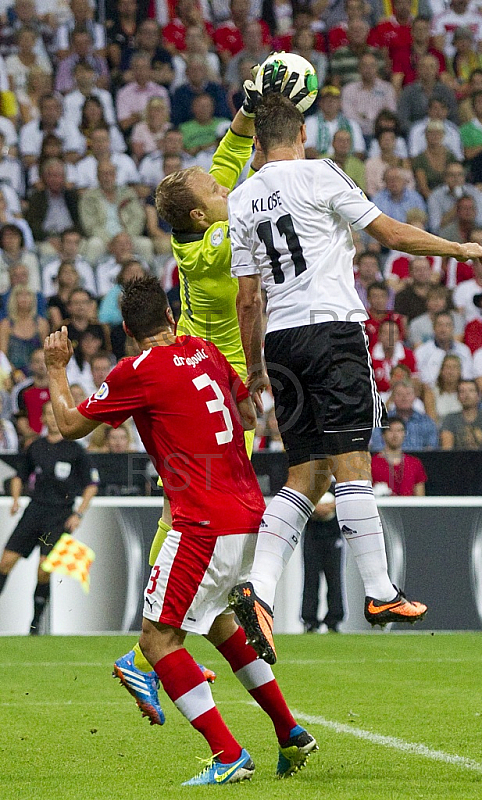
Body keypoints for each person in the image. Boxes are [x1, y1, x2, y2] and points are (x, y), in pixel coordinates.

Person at [227, 93, 482, 663]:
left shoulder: (241, 199)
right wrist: (458, 247)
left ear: (256, 143)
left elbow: (247, 301)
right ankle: (379, 592)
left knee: (305, 475)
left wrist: (254, 370)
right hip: (333, 332)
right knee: (352, 462)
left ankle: (260, 591)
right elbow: (394, 236)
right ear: (300, 134)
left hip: (281, 343)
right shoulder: (321, 173)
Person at [44, 279, 318, 784]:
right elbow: (249, 412)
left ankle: (228, 754)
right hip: (248, 513)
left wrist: (58, 369)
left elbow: (68, 425)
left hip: (202, 524)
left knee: (156, 642)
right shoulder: (207, 350)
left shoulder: (137, 371)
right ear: (172, 318)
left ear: (127, 330)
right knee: (219, 625)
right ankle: (289, 731)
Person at [110, 75, 309, 726]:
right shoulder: (214, 248)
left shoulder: (200, 224)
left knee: (193, 509)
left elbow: (226, 170)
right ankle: (179, 631)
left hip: (196, 378)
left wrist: (248, 114)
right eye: (215, 194)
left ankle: (194, 624)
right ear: (202, 215)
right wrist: (278, 153)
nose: (225, 190)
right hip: (217, 391)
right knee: (207, 508)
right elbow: (248, 194)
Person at [0, 401, 98, 634]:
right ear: (43, 419)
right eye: (48, 415)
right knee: (5, 562)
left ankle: (35, 626)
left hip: (59, 515)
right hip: (34, 511)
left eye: (57, 415)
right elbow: (18, 476)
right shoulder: (35, 447)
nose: (53, 419)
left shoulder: (75, 450)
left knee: (44, 570)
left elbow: (91, 484)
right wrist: (15, 499)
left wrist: (79, 514)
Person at [301, 488, 346, 634]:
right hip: (312, 534)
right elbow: (300, 495)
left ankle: (334, 619)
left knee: (334, 578)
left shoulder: (339, 476)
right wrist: (314, 507)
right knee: (310, 578)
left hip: (333, 534)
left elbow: (347, 497)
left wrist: (332, 505)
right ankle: (309, 620)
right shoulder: (310, 476)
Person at [371, 417, 427, 496]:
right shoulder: (372, 463)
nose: (395, 435)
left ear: (405, 434)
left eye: (399, 431)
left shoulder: (414, 463)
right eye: (390, 430)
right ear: (383, 434)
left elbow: (420, 497)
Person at [440, 379, 482, 448]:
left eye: (471, 391)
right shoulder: (450, 419)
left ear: (478, 395)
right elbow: (446, 450)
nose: (467, 395)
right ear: (458, 397)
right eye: (462, 391)